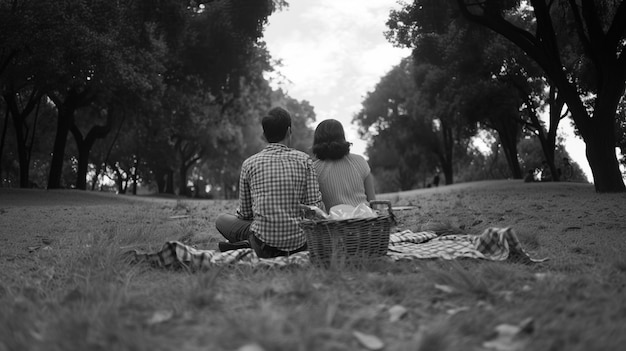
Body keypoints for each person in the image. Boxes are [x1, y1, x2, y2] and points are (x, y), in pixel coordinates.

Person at [215, 107, 324, 258]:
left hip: (262, 246)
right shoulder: (305, 160)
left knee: (221, 219)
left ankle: (247, 244)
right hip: (299, 246)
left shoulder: (249, 163)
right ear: (288, 131)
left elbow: (245, 214)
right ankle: (247, 244)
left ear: (264, 134)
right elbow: (315, 208)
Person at [311, 119, 375, 211]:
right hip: (365, 220)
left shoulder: (314, 169)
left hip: (336, 223)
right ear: (342, 136)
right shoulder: (360, 161)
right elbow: (373, 202)